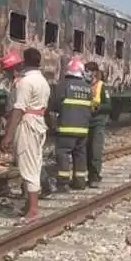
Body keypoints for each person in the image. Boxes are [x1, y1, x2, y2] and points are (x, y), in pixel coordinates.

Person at [0, 48, 51, 222]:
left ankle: (33, 210)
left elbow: (18, 109)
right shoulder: (43, 81)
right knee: (34, 163)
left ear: (24, 61)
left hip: (27, 124)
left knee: (28, 166)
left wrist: (7, 135)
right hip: (38, 123)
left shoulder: (25, 82)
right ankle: (29, 205)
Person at [49, 57, 92, 191]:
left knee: (63, 153)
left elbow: (55, 105)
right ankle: (80, 182)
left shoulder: (63, 85)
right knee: (80, 155)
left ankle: (63, 183)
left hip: (66, 128)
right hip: (83, 129)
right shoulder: (87, 87)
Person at [84, 61, 110, 188]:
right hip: (84, 122)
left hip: (97, 123)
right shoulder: (83, 85)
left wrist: (98, 107)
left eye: (88, 70)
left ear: (94, 72)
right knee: (85, 151)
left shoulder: (101, 86)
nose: (86, 73)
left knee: (95, 150)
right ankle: (85, 176)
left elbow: (109, 105)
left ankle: (94, 176)